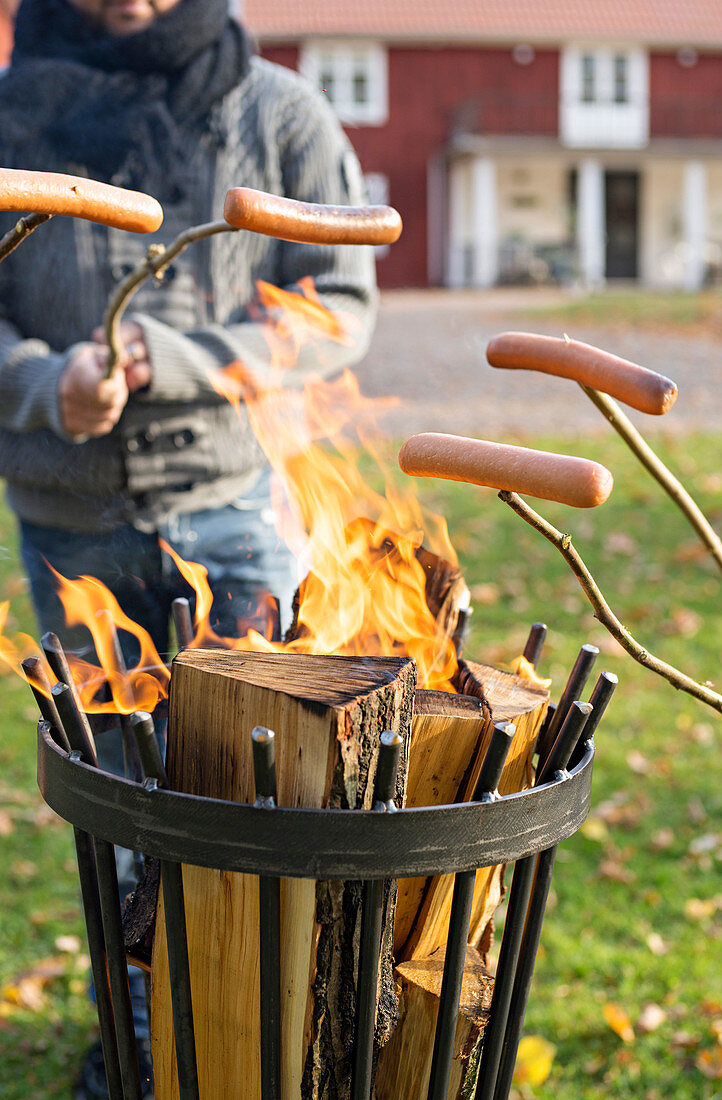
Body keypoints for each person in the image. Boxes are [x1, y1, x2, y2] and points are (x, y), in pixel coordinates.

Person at [0, 1, 377, 1095]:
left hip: (235, 512)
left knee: (263, 808)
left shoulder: (276, 113)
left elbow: (337, 299)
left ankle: (261, 1048)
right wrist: (43, 382)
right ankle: (143, 1055)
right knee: (123, 820)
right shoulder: (14, 115)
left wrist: (182, 354)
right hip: (71, 524)